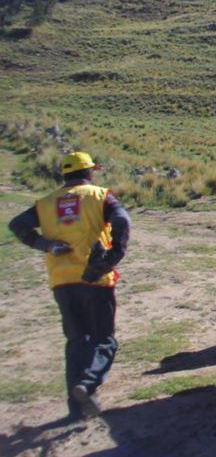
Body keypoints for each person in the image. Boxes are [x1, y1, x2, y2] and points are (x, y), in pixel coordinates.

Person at [8, 152, 131, 419]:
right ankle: (87, 384)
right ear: (89, 172)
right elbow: (123, 220)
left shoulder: (46, 203)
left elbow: (17, 225)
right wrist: (112, 257)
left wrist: (46, 245)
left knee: (77, 341)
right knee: (104, 340)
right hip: (95, 278)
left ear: (65, 175)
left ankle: (77, 410)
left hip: (62, 281)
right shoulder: (100, 196)